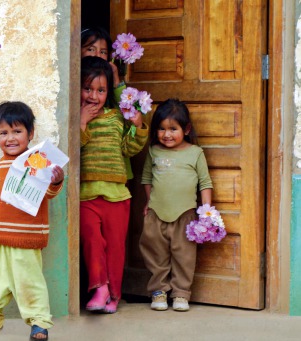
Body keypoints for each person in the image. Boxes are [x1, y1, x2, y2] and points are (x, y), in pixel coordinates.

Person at [0, 101, 64, 341]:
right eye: (3, 133)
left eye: (17, 131)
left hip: (25, 237)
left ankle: (39, 322)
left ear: (31, 134)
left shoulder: (37, 161)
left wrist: (56, 181)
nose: (10, 138)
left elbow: (46, 194)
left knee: (29, 283)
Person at [80, 56, 149, 314]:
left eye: (100, 90)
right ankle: (100, 288)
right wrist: (82, 121)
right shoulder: (75, 117)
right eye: (87, 89)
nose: (93, 96)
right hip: (86, 195)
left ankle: (113, 295)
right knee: (92, 242)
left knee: (116, 247)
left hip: (118, 195)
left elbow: (128, 149)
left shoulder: (115, 117)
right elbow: (74, 149)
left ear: (108, 92)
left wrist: (138, 127)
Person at [139, 98, 213, 312]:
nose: (167, 134)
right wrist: (149, 202)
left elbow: (205, 182)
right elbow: (146, 179)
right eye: (161, 129)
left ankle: (181, 293)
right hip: (156, 213)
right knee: (155, 253)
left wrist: (206, 213)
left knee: (184, 255)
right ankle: (159, 291)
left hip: (186, 215)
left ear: (186, 129)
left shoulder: (195, 153)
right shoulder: (154, 151)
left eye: (173, 128)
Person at [81, 26, 133, 180]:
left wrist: (115, 78)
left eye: (103, 52)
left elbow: (127, 114)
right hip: (88, 173)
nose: (97, 55)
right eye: (91, 49)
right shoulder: (74, 85)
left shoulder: (110, 90)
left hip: (115, 171)